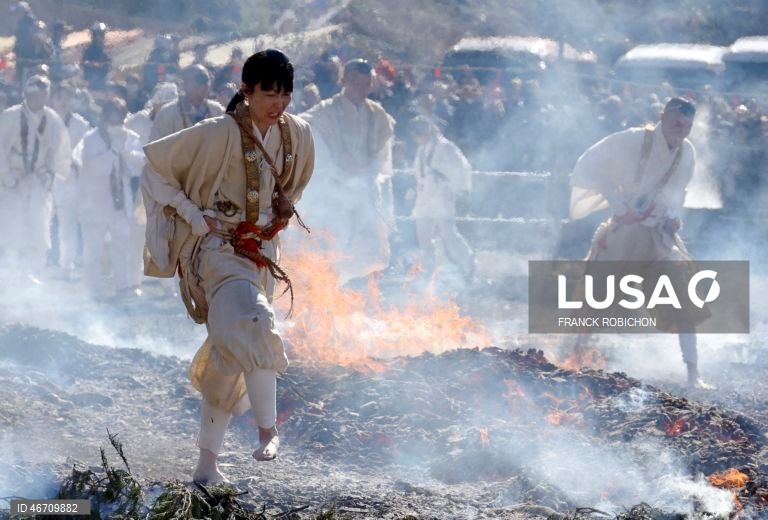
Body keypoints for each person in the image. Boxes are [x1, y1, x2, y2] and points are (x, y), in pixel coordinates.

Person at [141, 49, 314, 483]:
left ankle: (205, 467)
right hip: (216, 252)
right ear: (247, 91)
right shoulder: (216, 133)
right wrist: (190, 212)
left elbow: (293, 188)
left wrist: (279, 213)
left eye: (285, 94)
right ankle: (268, 430)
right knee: (252, 322)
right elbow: (154, 169)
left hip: (261, 256)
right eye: (270, 93)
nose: (279, 103)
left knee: (230, 353)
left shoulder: (298, 135)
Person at [569, 97, 711, 389]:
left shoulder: (687, 153)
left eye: (687, 126)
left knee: (682, 292)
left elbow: (679, 193)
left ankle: (693, 373)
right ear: (663, 117)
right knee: (596, 298)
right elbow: (590, 165)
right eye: (676, 123)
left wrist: (674, 218)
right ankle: (576, 359)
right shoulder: (634, 139)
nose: (681, 131)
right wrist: (618, 205)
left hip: (658, 236)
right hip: (624, 234)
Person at [300, 58, 396, 285]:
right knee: (336, 246)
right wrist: (337, 170)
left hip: (366, 191)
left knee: (371, 248)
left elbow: (383, 158)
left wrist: (367, 171)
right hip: (335, 193)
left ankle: (365, 299)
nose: (360, 89)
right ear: (344, 81)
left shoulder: (377, 114)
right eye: (355, 83)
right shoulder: (326, 112)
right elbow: (307, 134)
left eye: (366, 84)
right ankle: (330, 293)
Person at [72, 98, 143, 300]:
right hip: (93, 203)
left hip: (120, 203)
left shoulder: (130, 137)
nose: (115, 126)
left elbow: (139, 167)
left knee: (122, 247)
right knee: (93, 251)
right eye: (111, 121)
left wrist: (125, 152)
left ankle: (124, 288)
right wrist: (112, 151)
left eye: (118, 121)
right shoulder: (90, 139)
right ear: (103, 119)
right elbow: (94, 169)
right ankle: (93, 291)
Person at [0, 75, 70, 276]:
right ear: (25, 95)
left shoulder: (53, 120)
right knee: (11, 228)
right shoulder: (10, 116)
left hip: (38, 182)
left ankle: (32, 273)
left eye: (41, 96)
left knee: (39, 229)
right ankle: (10, 273)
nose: (37, 100)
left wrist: (51, 176)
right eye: (33, 96)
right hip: (12, 181)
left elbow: (61, 152)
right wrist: (5, 175)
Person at [409, 116, 475, 282]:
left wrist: (460, 191)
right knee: (423, 235)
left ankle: (468, 262)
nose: (417, 136)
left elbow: (463, 169)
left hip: (442, 197)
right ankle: (429, 269)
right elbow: (419, 174)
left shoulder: (445, 147)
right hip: (425, 198)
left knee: (448, 234)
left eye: (419, 131)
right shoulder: (421, 150)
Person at [49, 83, 91, 275]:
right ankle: (51, 263)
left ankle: (72, 263)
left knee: (73, 223)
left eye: (66, 97)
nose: (62, 101)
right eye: (58, 97)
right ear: (52, 100)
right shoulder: (45, 121)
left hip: (74, 180)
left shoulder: (81, 124)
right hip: (49, 179)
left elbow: (87, 153)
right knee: (48, 222)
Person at [148, 65, 223, 142]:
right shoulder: (166, 115)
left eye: (206, 80)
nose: (204, 85)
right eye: (199, 79)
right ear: (184, 84)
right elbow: (155, 149)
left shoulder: (216, 111)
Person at [81, 22, 111, 91]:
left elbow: (109, 62)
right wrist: (92, 64)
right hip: (90, 80)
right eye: (97, 34)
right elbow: (84, 62)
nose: (99, 36)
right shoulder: (89, 49)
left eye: (101, 34)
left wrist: (101, 65)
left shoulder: (105, 49)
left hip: (103, 79)